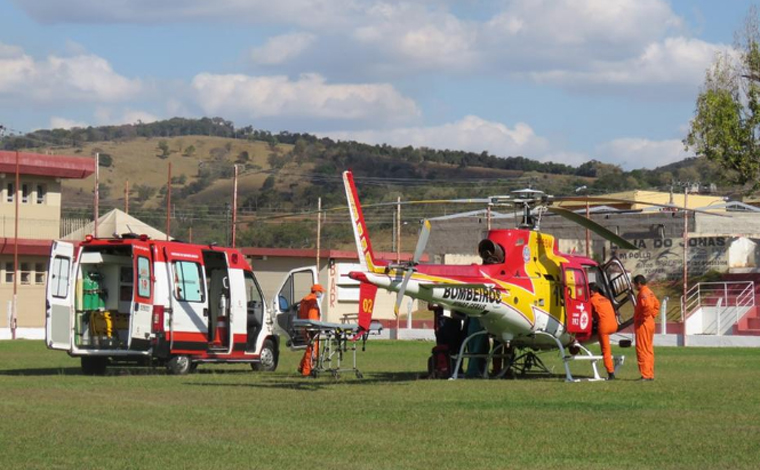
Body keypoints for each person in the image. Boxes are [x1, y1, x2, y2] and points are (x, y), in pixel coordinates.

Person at [633, 274, 660, 381]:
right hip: (650, 323)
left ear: (639, 283)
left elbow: (647, 306)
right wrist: (651, 316)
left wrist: (643, 317)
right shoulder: (649, 291)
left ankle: (645, 374)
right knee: (648, 349)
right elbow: (657, 305)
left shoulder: (643, 293)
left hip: (643, 324)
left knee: (642, 349)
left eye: (635, 284)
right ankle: (649, 374)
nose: (634, 286)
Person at [589, 284, 618, 380]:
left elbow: (588, 313)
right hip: (614, 325)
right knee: (605, 346)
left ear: (592, 292)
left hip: (604, 326)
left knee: (606, 351)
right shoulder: (606, 299)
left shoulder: (592, 300)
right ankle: (605, 355)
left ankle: (611, 373)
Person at [298, 284, 324, 377]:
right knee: (312, 349)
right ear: (316, 291)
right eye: (320, 292)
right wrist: (315, 328)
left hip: (303, 326)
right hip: (311, 328)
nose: (321, 294)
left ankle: (302, 367)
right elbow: (312, 317)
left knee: (309, 347)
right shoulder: (313, 301)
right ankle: (307, 371)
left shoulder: (304, 300)